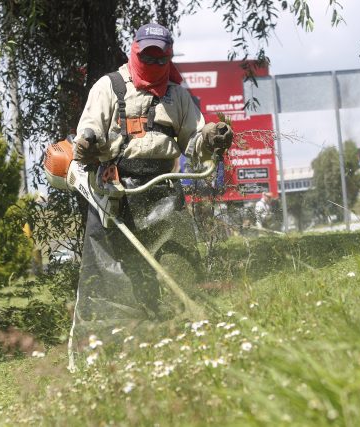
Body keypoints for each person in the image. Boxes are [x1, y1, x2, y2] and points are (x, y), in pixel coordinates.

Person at [68, 23, 233, 363]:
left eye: (161, 57)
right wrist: (85, 145)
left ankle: (190, 349)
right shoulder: (109, 87)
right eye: (148, 55)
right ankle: (107, 358)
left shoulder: (177, 96)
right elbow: (89, 130)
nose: (155, 62)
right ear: (135, 51)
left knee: (181, 269)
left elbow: (196, 143)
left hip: (162, 192)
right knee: (113, 282)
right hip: (115, 195)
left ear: (169, 56)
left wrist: (212, 136)